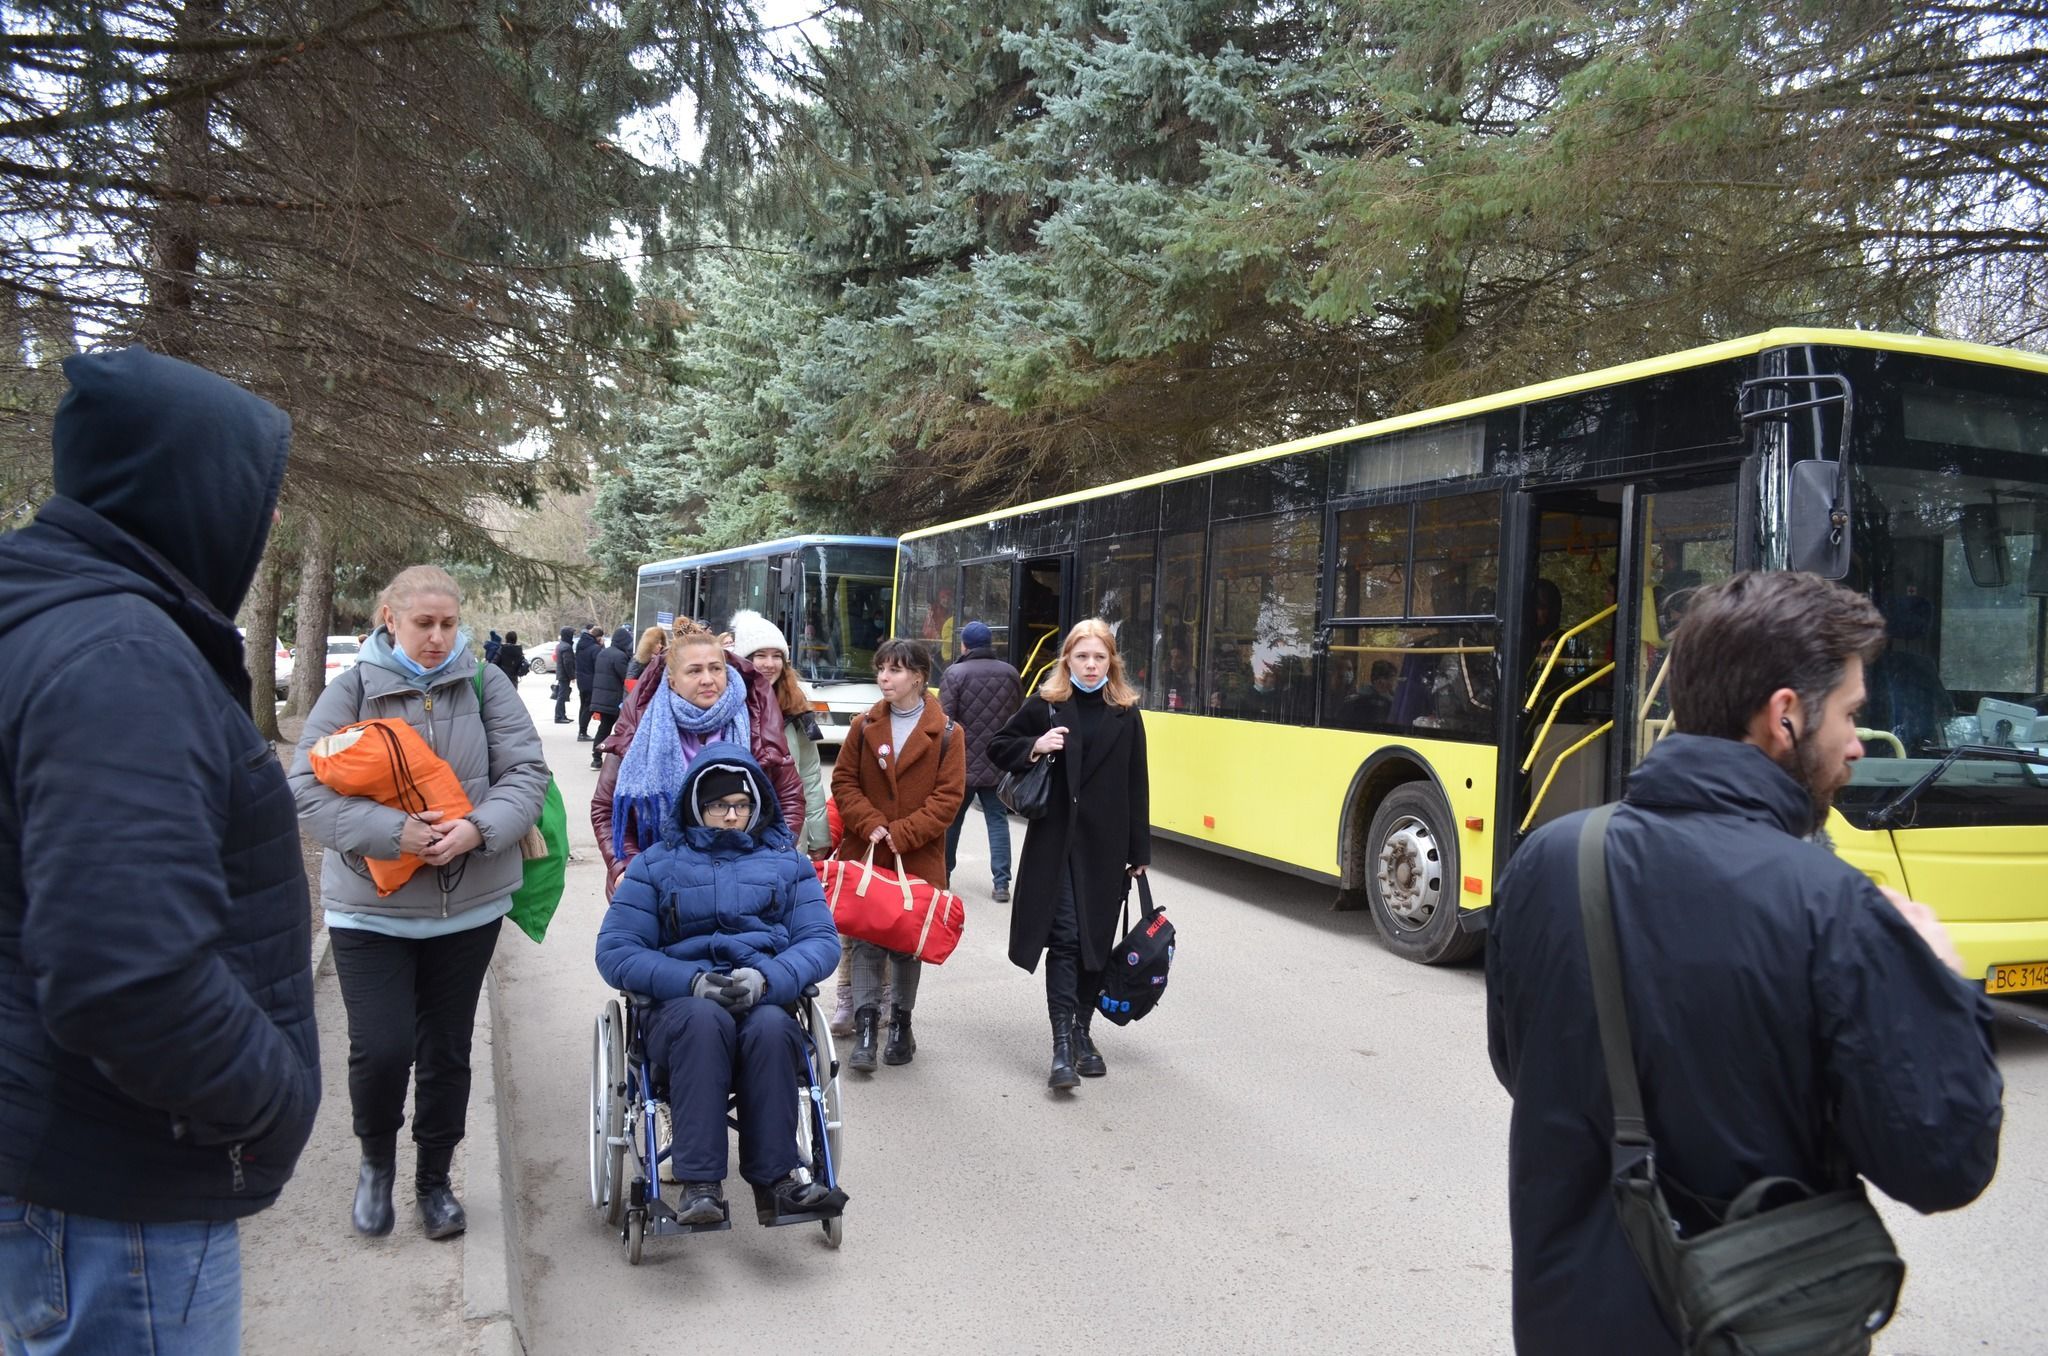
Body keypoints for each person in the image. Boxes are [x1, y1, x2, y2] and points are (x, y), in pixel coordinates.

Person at [1485, 571, 2003, 1353]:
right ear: (1785, 715)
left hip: (1567, 1323)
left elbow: (1519, 1065)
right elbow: (1943, 1162)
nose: (1857, 743)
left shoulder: (1550, 859)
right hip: (1753, 1327)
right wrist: (1940, 981)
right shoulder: (1831, 905)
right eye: (1852, 714)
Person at [0, 346, 320, 1352]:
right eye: (257, 493)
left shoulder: (56, 620)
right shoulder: (121, 657)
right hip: (117, 1192)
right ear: (187, 484)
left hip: (67, 1166)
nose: (265, 521)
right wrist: (269, 1102)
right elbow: (123, 971)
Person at [291, 565, 548, 1242]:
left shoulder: (486, 684)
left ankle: (434, 1180)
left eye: (448, 624)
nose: (437, 637)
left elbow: (526, 772)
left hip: (469, 909)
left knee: (447, 1051)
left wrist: (478, 829)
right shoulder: (351, 691)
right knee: (382, 1049)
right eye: (423, 624)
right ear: (390, 619)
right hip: (369, 911)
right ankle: (376, 1164)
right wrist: (392, 832)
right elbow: (305, 789)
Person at [594, 745, 842, 1225]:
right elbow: (616, 949)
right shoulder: (655, 866)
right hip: (681, 1008)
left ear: (757, 805)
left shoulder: (787, 865)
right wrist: (690, 982)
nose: (731, 816)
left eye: (741, 805)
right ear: (695, 805)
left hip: (761, 997)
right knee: (703, 1021)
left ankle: (778, 1182)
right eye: (719, 805)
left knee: (773, 1029)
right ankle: (701, 1185)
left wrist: (767, 979)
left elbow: (820, 941)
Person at [989, 618, 1151, 1091]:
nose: (1091, 664)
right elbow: (998, 747)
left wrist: (1138, 849)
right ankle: (1062, 1045)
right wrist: (1035, 746)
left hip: (1105, 847)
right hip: (1056, 844)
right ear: (1068, 660)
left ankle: (1082, 1031)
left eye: (1099, 656)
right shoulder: (1047, 704)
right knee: (1065, 940)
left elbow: (1137, 782)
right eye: (1082, 656)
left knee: (1094, 946)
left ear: (1111, 662)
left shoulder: (1126, 712)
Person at [830, 638, 966, 1072]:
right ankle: (867, 1029)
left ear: (919, 677)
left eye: (894, 670)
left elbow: (948, 798)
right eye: (881, 669)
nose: (883, 678)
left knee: (907, 945)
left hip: (917, 855)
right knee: (866, 941)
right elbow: (844, 782)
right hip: (869, 851)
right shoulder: (863, 725)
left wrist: (902, 833)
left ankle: (901, 1026)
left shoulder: (948, 733)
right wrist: (870, 822)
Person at [593, 621, 804, 896]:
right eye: (694, 671)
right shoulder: (640, 726)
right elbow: (606, 808)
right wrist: (627, 867)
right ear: (672, 681)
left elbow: (789, 798)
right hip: (656, 884)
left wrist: (770, 859)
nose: (707, 679)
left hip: (742, 883)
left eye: (715, 669)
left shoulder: (757, 721)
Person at [731, 610, 831, 858]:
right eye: (760, 655)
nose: (769, 663)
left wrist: (819, 837)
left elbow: (809, 775)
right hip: (736, 833)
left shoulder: (794, 707)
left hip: (789, 835)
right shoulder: (728, 708)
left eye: (777, 656)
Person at [940, 619, 1023, 903]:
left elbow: (945, 722)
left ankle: (944, 875)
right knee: (997, 821)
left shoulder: (955, 674)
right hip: (998, 762)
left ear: (964, 645)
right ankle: (1001, 884)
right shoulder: (1010, 673)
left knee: (952, 821)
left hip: (961, 764)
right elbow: (1017, 714)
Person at [589, 625, 632, 770]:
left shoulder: (603, 653)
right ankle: (620, 758)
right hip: (614, 698)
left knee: (604, 728)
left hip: (601, 697)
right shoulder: (620, 656)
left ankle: (596, 758)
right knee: (622, 729)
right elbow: (625, 676)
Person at [574, 623, 603, 741]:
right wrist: (601, 647)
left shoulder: (581, 645)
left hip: (581, 679)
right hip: (591, 680)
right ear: (598, 637)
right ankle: (582, 732)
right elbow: (599, 664)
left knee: (583, 705)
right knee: (589, 707)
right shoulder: (595, 648)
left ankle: (581, 730)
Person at [552, 625, 575, 724]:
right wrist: (572, 676)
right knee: (562, 696)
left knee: (562, 695)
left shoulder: (561, 645)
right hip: (564, 675)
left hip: (561, 674)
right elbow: (568, 663)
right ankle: (559, 716)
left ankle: (562, 715)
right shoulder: (566, 647)